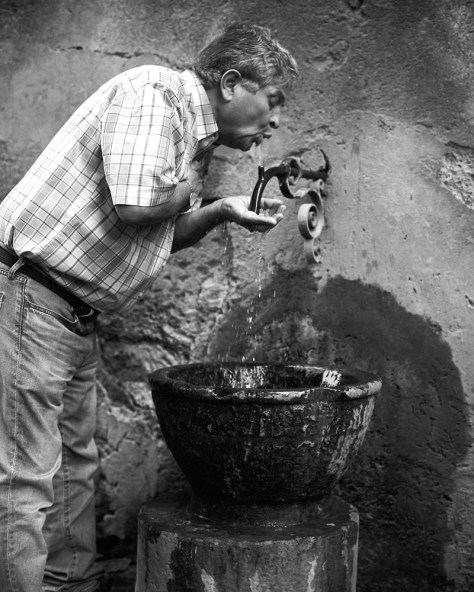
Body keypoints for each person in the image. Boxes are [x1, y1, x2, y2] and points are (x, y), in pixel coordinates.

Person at [0, 23, 298, 592]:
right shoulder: (156, 95)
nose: (276, 120)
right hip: (32, 298)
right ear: (232, 83)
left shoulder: (189, 135)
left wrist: (219, 210)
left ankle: (68, 584)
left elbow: (154, 233)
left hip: (71, 313)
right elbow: (138, 205)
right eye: (274, 100)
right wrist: (188, 187)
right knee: (26, 481)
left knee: (72, 471)